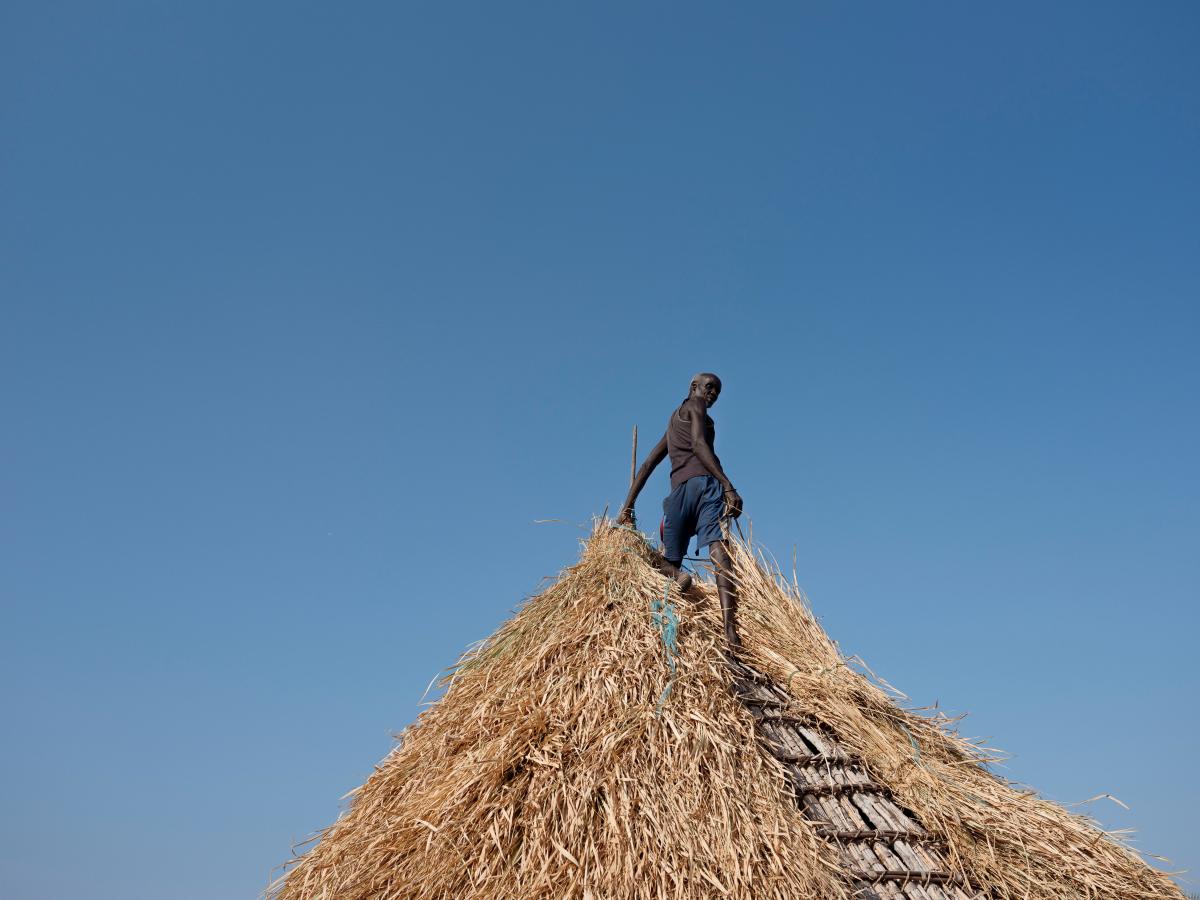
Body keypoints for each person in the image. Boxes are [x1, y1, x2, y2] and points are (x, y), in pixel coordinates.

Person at [616, 373, 745, 649]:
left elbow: (648, 463)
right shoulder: (695, 405)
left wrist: (627, 505)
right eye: (708, 387)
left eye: (716, 392)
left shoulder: (675, 421)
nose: (711, 394)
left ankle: (676, 577)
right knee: (718, 548)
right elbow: (699, 445)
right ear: (693, 388)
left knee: (668, 563)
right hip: (704, 487)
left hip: (677, 497)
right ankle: (730, 631)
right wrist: (727, 485)